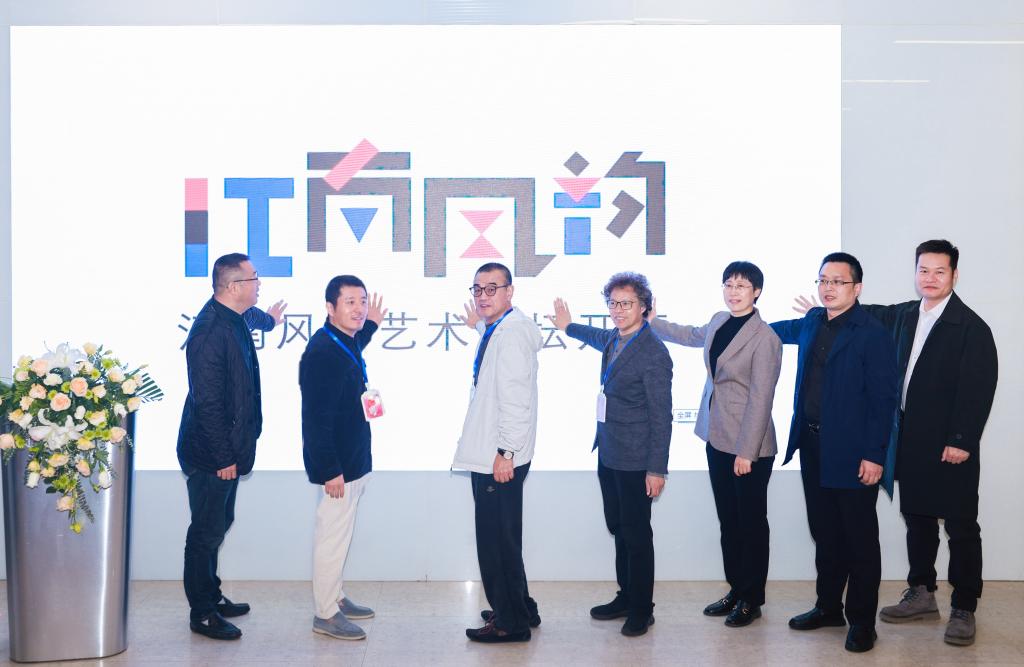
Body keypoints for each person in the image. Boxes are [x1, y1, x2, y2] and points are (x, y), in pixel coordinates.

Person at [855, 241, 995, 646]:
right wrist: (830, 301)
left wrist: (961, 439)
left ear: (954, 275)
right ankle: (921, 593)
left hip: (951, 445)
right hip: (911, 440)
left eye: (939, 271)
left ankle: (964, 607)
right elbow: (871, 313)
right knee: (917, 519)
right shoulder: (904, 314)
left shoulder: (971, 327)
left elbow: (978, 388)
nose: (929, 278)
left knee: (961, 526)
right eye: (923, 270)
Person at [771, 252, 898, 653]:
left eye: (838, 281)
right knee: (825, 533)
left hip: (854, 453)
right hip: (813, 446)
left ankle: (862, 621)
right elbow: (774, 331)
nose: (828, 288)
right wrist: (738, 321)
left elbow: (883, 401)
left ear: (857, 288)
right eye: (823, 280)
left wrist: (875, 455)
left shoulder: (872, 334)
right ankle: (828, 607)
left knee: (859, 540)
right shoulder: (813, 321)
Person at [647, 261, 782, 627]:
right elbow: (692, 335)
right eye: (728, 284)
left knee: (751, 523)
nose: (733, 292)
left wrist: (746, 452)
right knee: (729, 521)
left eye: (742, 285)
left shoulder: (765, 338)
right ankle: (737, 589)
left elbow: (761, 398)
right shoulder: (720, 320)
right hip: (717, 437)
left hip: (749, 446)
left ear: (757, 292)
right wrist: (654, 322)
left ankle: (752, 598)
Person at [550, 271, 673, 637]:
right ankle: (626, 596)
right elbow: (595, 336)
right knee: (618, 528)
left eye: (626, 304)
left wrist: (657, 470)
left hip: (637, 461)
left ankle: (642, 609)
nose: (618, 310)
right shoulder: (615, 339)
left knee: (637, 536)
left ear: (644, 307)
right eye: (613, 303)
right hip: (609, 453)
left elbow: (662, 417)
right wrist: (568, 326)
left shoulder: (653, 352)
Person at [177, 252, 264, 640]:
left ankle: (211, 595)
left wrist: (271, 318)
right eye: (254, 279)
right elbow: (208, 403)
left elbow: (257, 317)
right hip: (212, 454)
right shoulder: (210, 331)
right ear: (233, 286)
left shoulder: (233, 316)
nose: (259, 284)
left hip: (227, 448)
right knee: (205, 532)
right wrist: (223, 457)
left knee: (218, 524)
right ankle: (202, 613)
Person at [454, 262, 542, 644]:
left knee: (496, 543)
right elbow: (495, 359)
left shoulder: (512, 336)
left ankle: (510, 622)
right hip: (497, 453)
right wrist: (478, 325)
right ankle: (520, 607)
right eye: (478, 289)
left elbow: (516, 399)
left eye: (492, 288)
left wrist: (506, 452)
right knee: (506, 538)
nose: (483, 296)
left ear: (510, 291)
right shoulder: (502, 329)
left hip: (499, 457)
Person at [299, 276, 387, 641]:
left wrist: (372, 325)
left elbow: (355, 348)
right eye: (350, 302)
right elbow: (315, 419)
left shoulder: (344, 341)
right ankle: (325, 613)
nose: (359, 309)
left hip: (353, 459)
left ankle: (334, 595)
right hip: (338, 468)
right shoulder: (322, 352)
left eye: (362, 301)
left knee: (340, 534)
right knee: (331, 538)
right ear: (330, 307)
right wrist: (329, 469)